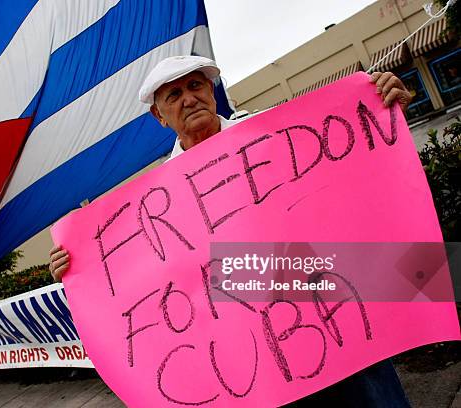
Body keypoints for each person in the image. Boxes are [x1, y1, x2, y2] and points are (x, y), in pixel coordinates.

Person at [48, 56, 413, 407]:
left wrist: (383, 108)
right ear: (158, 115)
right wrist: (79, 267)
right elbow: (140, 275)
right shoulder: (154, 201)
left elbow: (343, 169)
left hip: (327, 307)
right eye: (173, 96)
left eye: (195, 86)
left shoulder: (271, 130)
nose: (188, 99)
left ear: (211, 90)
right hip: (258, 346)